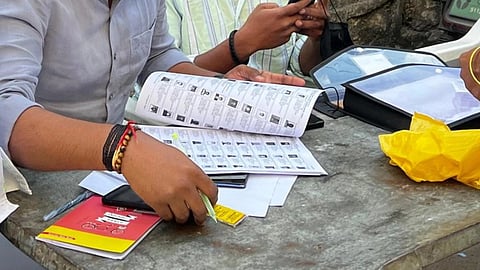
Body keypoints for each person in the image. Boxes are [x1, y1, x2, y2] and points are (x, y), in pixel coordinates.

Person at [0, 0, 305, 225]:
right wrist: (125, 148)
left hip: (107, 178)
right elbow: (7, 108)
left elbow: (158, 56)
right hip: (25, 194)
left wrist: (228, 91)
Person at [165, 0, 329, 84]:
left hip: (275, 117)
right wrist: (241, 44)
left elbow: (297, 64)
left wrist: (315, 37)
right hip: (194, 124)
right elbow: (162, 75)